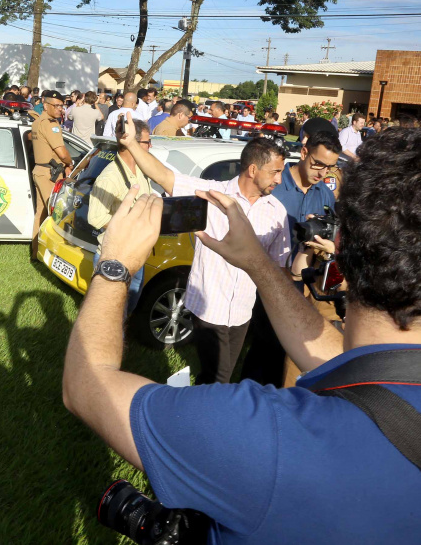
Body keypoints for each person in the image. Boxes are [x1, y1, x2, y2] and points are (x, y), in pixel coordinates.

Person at [63, 127, 421, 545]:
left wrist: (114, 266)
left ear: (339, 244)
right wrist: (256, 260)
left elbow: (85, 386)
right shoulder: (385, 378)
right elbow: (331, 355)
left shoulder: (266, 434)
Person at [121, 112, 291, 384]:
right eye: (275, 172)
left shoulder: (276, 212)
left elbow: (278, 268)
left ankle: (197, 409)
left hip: (241, 312)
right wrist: (131, 144)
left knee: (216, 377)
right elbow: (165, 176)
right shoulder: (211, 195)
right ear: (253, 170)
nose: (280, 180)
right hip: (208, 308)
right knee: (220, 377)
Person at [240, 129, 342, 388]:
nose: (322, 173)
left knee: (285, 348)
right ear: (304, 152)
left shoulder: (325, 194)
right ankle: (249, 393)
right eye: (318, 164)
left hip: (301, 280)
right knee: (263, 344)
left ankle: (273, 396)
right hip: (263, 276)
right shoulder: (273, 182)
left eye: (329, 168)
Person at [87, 118, 152, 312]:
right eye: (148, 142)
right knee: (111, 314)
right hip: (114, 257)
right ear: (132, 141)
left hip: (135, 254)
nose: (150, 146)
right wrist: (129, 224)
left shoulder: (140, 169)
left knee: (125, 312)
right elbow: (95, 218)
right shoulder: (110, 176)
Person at [30, 90, 74, 260]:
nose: (60, 109)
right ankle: (52, 255)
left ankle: (36, 253)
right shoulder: (50, 124)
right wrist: (69, 163)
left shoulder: (38, 121)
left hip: (41, 171)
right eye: (56, 106)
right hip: (50, 173)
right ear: (45, 105)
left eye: (62, 106)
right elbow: (62, 153)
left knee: (40, 214)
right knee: (56, 214)